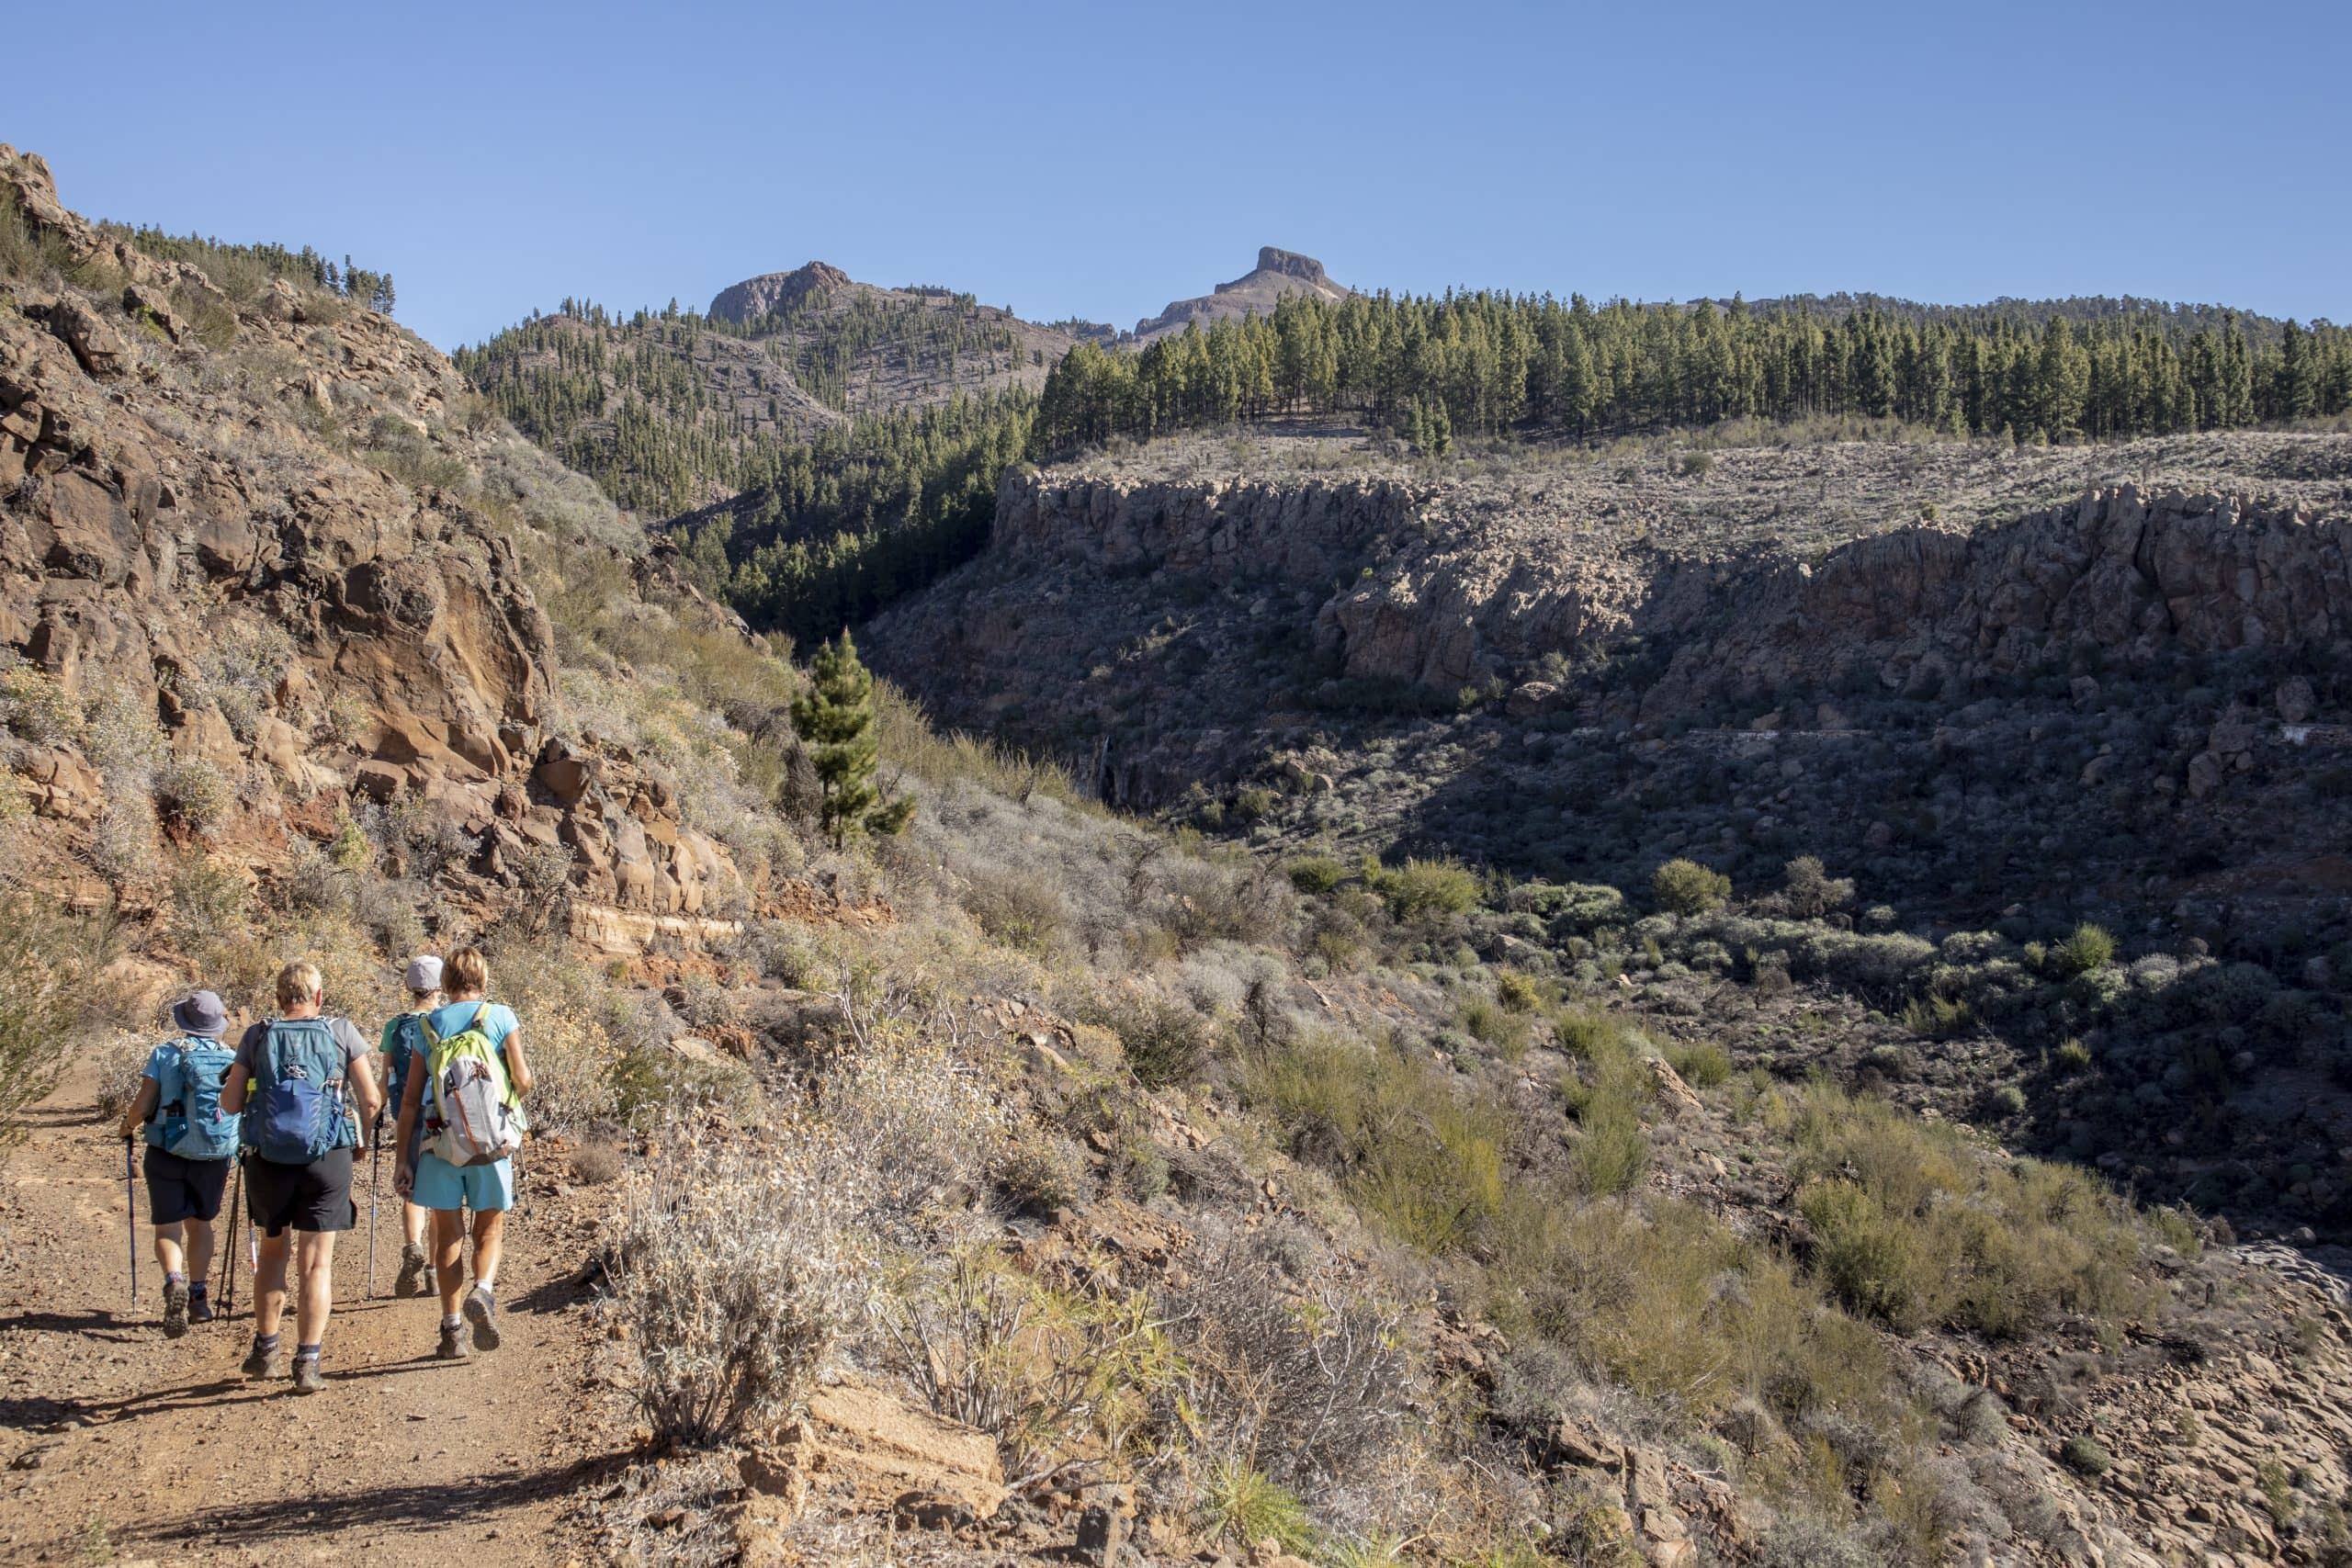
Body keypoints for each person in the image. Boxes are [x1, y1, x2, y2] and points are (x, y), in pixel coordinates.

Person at [220, 961, 381, 1394]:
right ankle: (308, 1362)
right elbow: (370, 1097)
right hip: (328, 1157)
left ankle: (266, 1349)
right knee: (316, 1263)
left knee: (274, 1255)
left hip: (269, 1159)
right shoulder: (340, 1031)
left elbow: (231, 1104)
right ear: (318, 997)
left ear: (278, 998)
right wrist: (360, 1140)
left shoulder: (257, 1035)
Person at [393, 945, 531, 1360]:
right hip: (492, 1143)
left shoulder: (427, 1025)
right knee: (489, 1228)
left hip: (440, 1144)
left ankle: (451, 1330)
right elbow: (523, 1078)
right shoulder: (499, 1017)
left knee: (448, 1233)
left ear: (446, 983)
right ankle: (483, 1291)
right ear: (482, 980)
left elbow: (411, 1101)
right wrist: (507, 1097)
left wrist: (404, 1158)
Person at [116, 990, 240, 1337]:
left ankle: (175, 1281)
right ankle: (198, 1298)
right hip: (214, 1155)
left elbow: (143, 1105)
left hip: (166, 1151)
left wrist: (127, 1127)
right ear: (217, 1024)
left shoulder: (165, 1054)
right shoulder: (231, 1057)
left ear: (184, 1021)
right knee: (201, 1224)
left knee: (168, 1227)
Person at [379, 955, 443, 1298]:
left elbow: (385, 1075)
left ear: (409, 985)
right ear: (439, 987)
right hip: (439, 1116)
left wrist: (374, 1111)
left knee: (411, 1186)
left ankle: (412, 1246)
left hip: (406, 1115)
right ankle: (433, 1271)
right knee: (438, 1195)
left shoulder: (395, 1026)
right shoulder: (441, 1023)